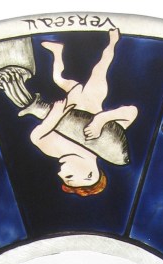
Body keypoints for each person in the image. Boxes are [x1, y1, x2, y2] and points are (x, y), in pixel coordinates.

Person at [28, 29, 137, 195]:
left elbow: (36, 137)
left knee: (58, 78)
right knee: (101, 67)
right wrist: (101, 120)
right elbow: (131, 112)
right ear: (89, 175)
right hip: (93, 95)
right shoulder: (108, 144)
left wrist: (54, 116)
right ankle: (113, 42)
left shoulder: (54, 151)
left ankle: (57, 51)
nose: (59, 174)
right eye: (69, 176)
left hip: (72, 96)